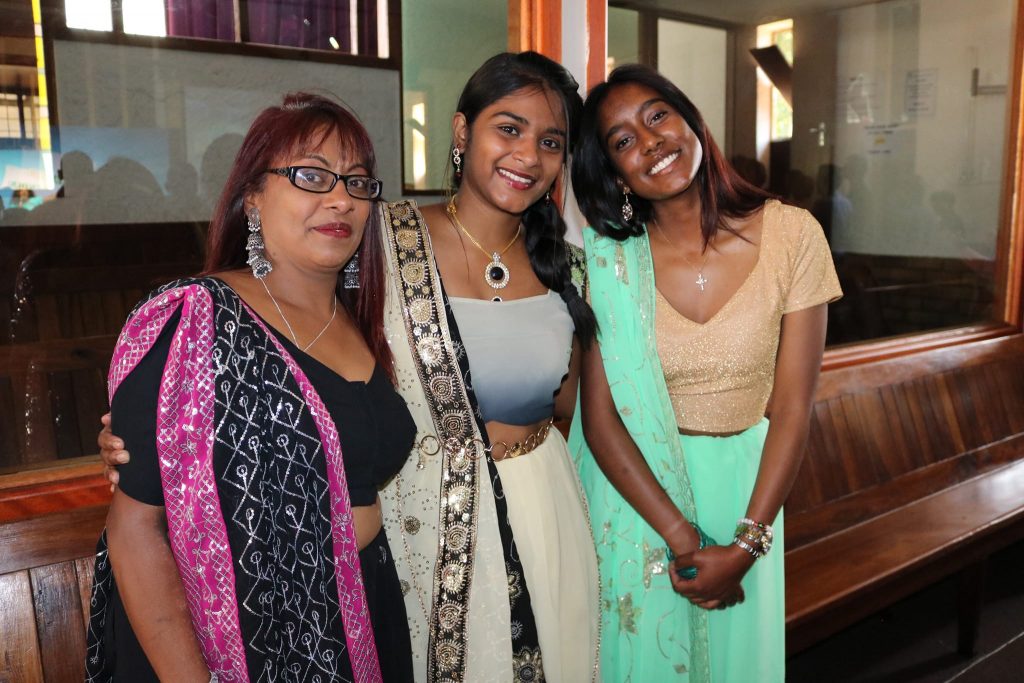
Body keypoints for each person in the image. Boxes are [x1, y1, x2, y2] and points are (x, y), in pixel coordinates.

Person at [100, 52, 601, 682]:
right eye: (509, 128)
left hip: (463, 548)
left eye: (550, 141)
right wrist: (143, 433)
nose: (527, 154)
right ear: (462, 130)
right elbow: (150, 507)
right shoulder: (381, 243)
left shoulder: (562, 268)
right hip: (391, 558)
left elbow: (569, 409)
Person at [86, 92, 415, 682]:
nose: (341, 198)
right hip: (247, 642)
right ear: (254, 197)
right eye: (311, 175)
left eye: (357, 182)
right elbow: (136, 530)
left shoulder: (365, 321)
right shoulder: (197, 320)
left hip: (365, 609)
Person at [568, 64, 842, 681]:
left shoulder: (792, 235)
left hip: (748, 497)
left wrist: (746, 545)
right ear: (614, 173)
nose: (650, 142)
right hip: (637, 500)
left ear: (691, 120)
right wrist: (682, 538)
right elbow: (601, 420)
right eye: (623, 140)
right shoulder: (610, 262)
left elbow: (793, 408)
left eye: (658, 116)